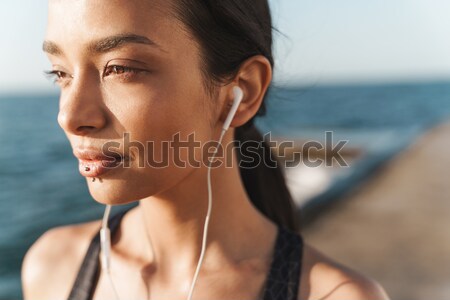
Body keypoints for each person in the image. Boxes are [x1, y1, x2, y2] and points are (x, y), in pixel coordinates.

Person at [21, 0, 389, 299]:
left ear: (242, 91)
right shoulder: (53, 267)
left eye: (120, 68)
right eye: (60, 73)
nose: (69, 116)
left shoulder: (333, 295)